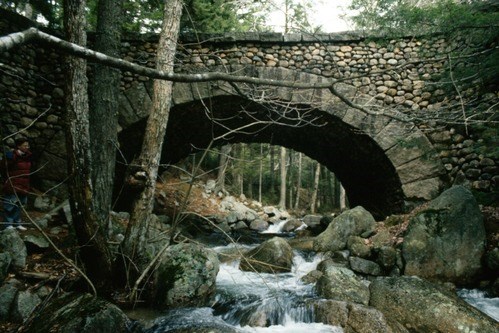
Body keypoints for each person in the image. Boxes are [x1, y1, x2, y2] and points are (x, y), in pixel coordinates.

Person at [1, 138, 32, 231]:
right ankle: (8, 224)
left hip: (24, 184)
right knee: (10, 204)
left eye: (27, 145)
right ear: (18, 146)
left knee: (20, 204)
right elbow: (3, 168)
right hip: (13, 183)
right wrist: (7, 180)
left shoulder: (28, 156)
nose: (27, 147)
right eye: (25, 145)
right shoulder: (11, 156)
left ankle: (17, 223)